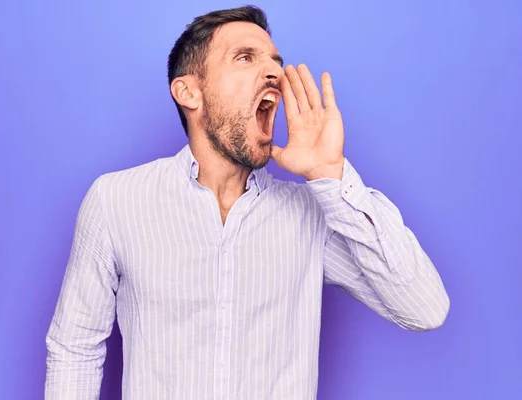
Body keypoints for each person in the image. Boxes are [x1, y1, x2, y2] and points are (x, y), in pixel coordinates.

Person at [45, 5, 450, 399]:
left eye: (275, 60)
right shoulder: (117, 201)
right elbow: (74, 349)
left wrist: (332, 175)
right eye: (245, 57)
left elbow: (424, 309)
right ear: (189, 91)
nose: (275, 72)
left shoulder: (312, 213)